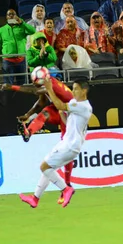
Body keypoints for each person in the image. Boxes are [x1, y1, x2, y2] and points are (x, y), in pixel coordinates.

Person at [19, 78, 92, 208]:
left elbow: (61, 105)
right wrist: (61, 114)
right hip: (67, 144)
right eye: (73, 88)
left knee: (44, 167)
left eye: (76, 89)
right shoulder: (76, 103)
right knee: (48, 169)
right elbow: (67, 121)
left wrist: (49, 89)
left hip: (70, 146)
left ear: (84, 91)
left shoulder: (84, 106)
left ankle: (66, 189)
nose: (73, 91)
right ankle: (35, 199)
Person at [2, 75, 77, 192]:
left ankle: (67, 182)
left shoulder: (50, 85)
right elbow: (41, 102)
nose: (33, 84)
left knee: (67, 146)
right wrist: (28, 115)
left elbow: (34, 91)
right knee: (45, 113)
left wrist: (12, 87)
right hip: (59, 108)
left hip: (70, 113)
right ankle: (28, 132)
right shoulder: (47, 83)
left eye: (35, 82)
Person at [0, 9, 35, 85]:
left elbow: (33, 31)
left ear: (16, 16)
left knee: (23, 85)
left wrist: (22, 22)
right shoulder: (1, 30)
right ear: (6, 17)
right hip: (8, 61)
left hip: (21, 59)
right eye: (9, 14)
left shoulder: (22, 27)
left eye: (13, 14)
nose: (11, 16)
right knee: (8, 85)